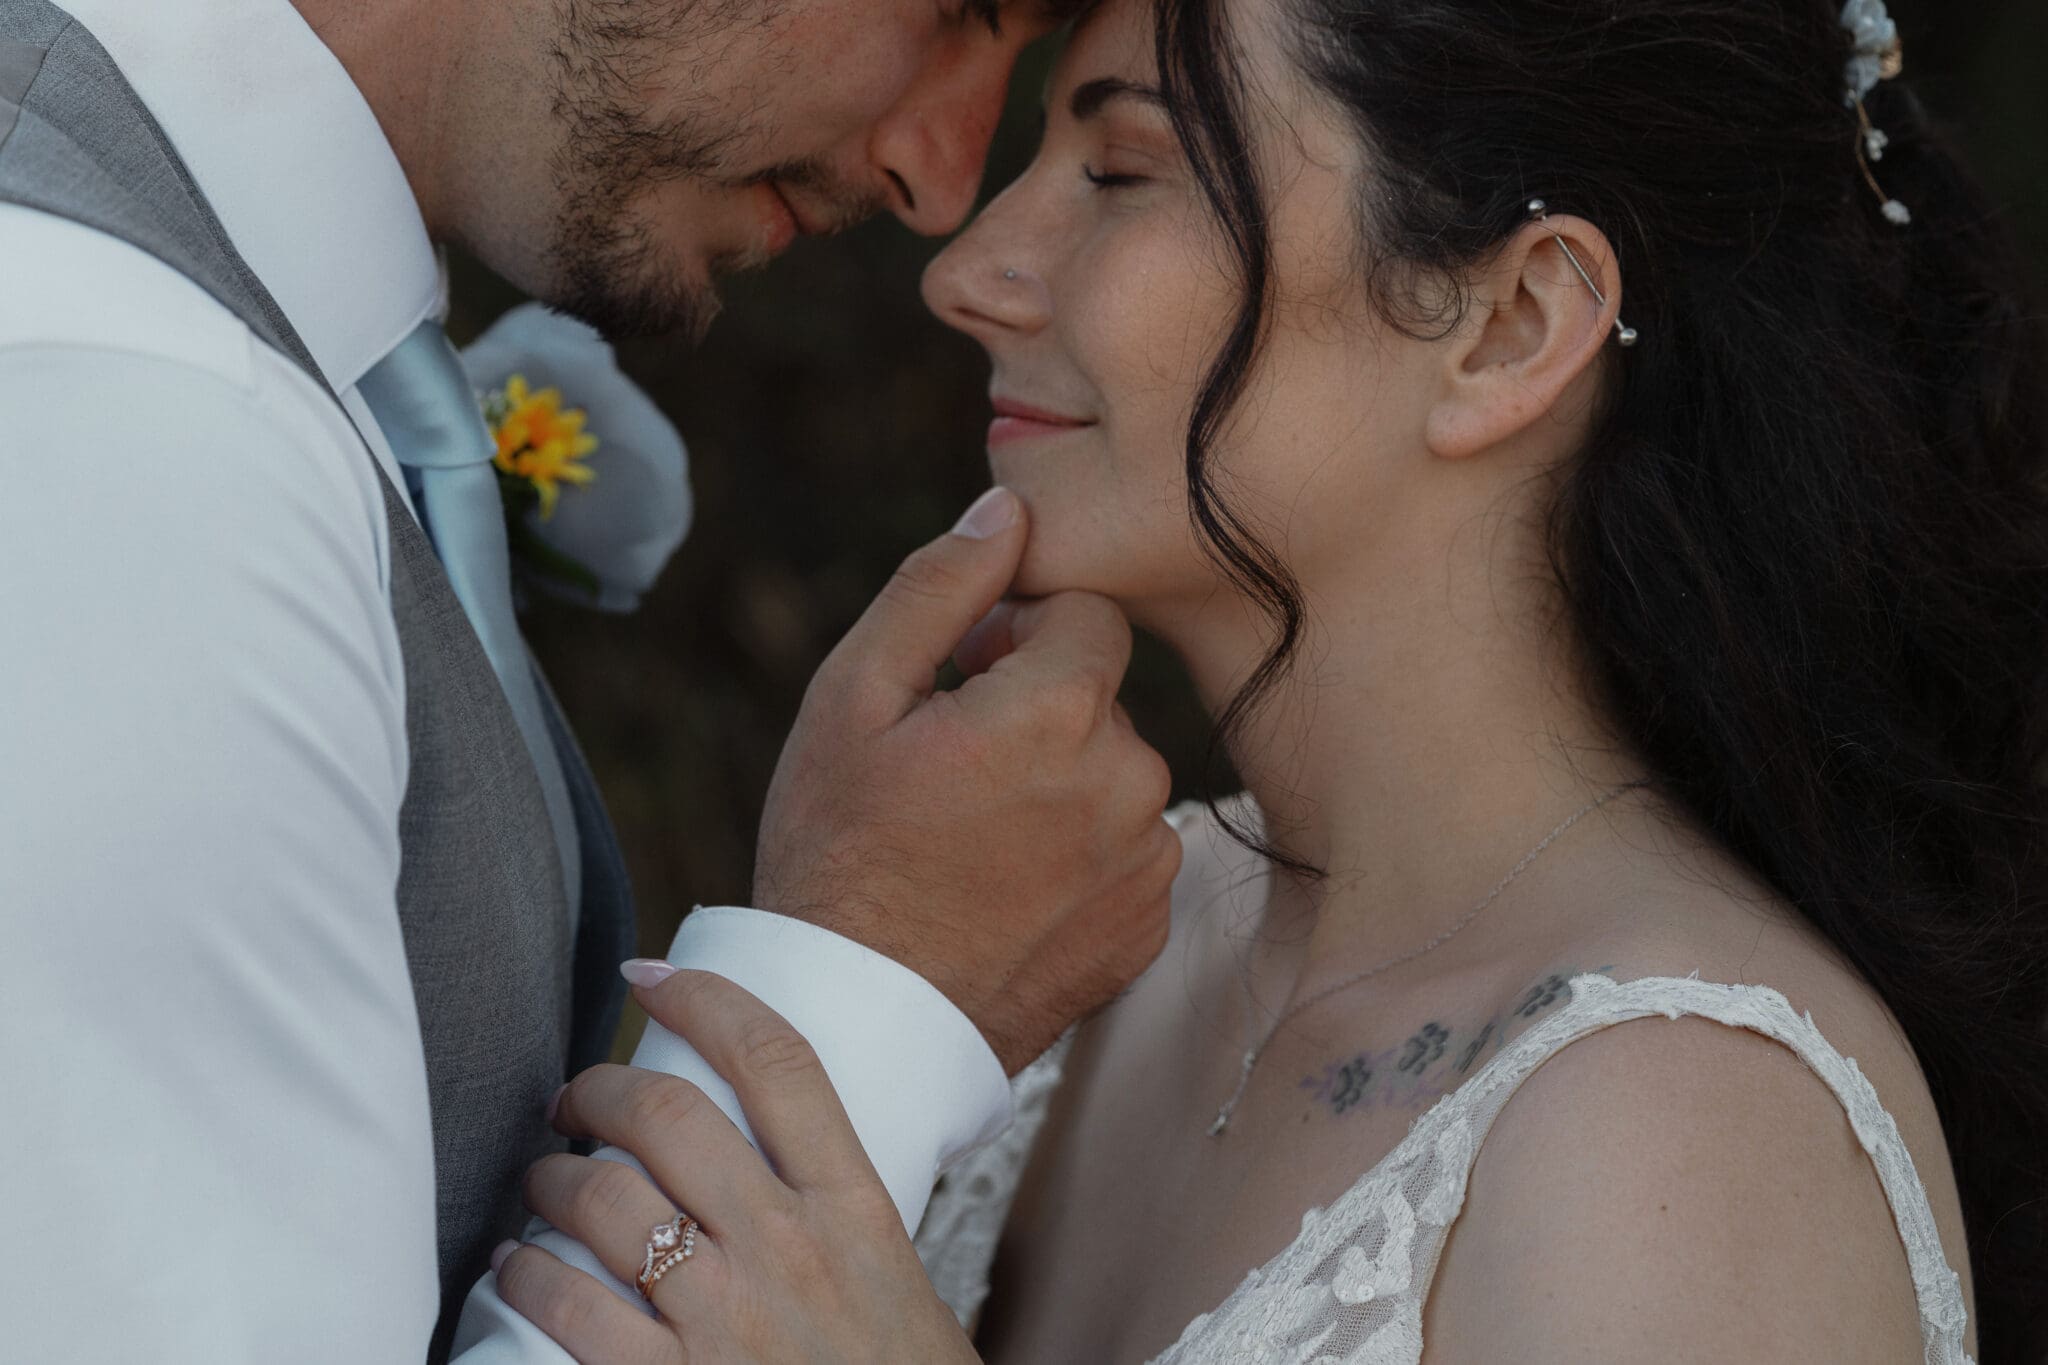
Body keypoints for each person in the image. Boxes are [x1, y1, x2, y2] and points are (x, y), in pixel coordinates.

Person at [494, 0, 2048, 1359]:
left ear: (1511, 326)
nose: (965, 273)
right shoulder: (1094, 941)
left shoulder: (1688, 1119)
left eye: (1118, 175)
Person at [0, 0, 1182, 1360]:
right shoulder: (127, 438)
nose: (938, 180)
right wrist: (863, 986)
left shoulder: (217, 370)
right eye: (958, 12)